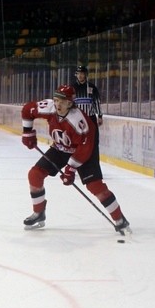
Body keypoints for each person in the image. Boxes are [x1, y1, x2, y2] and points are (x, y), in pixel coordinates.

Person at [20, 84, 130, 234]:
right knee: (35, 175)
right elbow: (28, 109)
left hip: (85, 150)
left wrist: (70, 169)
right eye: (56, 100)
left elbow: (85, 148)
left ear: (70, 103)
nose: (58, 104)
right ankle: (39, 213)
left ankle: (120, 219)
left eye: (62, 101)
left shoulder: (79, 121)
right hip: (60, 148)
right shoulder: (50, 108)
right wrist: (28, 133)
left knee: (95, 187)